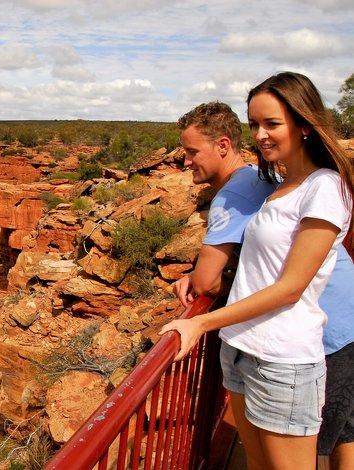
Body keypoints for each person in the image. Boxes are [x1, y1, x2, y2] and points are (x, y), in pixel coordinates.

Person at [159, 72, 354, 470]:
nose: (261, 135)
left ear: (303, 124)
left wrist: (201, 323)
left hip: (285, 358)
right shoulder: (278, 183)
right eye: (254, 124)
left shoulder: (324, 187)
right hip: (244, 348)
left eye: (272, 123)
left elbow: (289, 288)